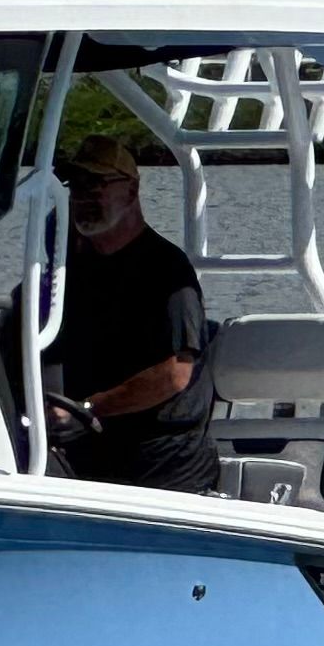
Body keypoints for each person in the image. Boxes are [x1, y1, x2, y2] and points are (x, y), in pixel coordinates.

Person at [42, 135, 218, 494]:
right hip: (90, 450)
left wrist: (88, 408)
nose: (83, 196)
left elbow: (175, 374)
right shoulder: (70, 274)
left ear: (132, 189)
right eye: (76, 185)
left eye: (96, 183)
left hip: (164, 465)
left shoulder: (166, 270)